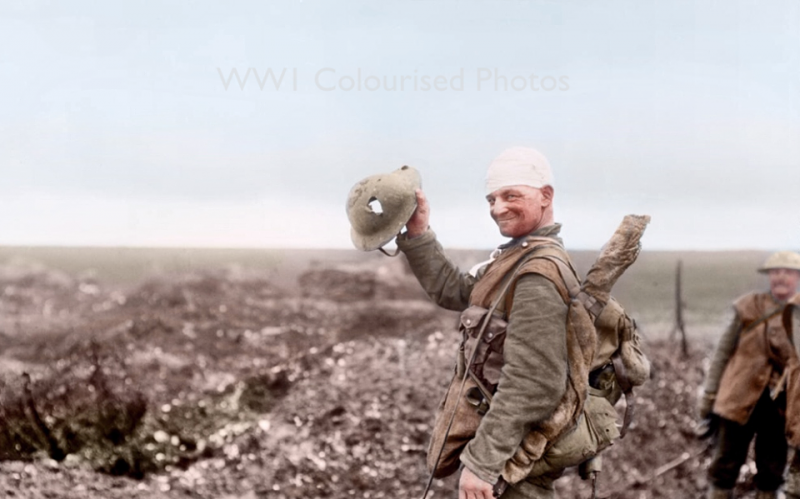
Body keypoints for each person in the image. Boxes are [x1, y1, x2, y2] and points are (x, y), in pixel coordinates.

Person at [396, 147, 582, 499]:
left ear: (546, 196)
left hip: (511, 465)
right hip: (506, 458)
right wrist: (418, 235)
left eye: (511, 195)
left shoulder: (536, 274)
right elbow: (457, 291)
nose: (497, 208)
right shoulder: (516, 256)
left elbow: (535, 381)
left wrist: (482, 463)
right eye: (491, 198)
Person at [699, 251, 800, 499]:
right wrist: (709, 395)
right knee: (724, 467)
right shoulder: (748, 306)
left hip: (780, 407)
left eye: (788, 272)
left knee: (772, 472)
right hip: (737, 399)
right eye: (776, 272)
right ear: (769, 276)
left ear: (797, 277)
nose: (781, 277)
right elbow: (722, 353)